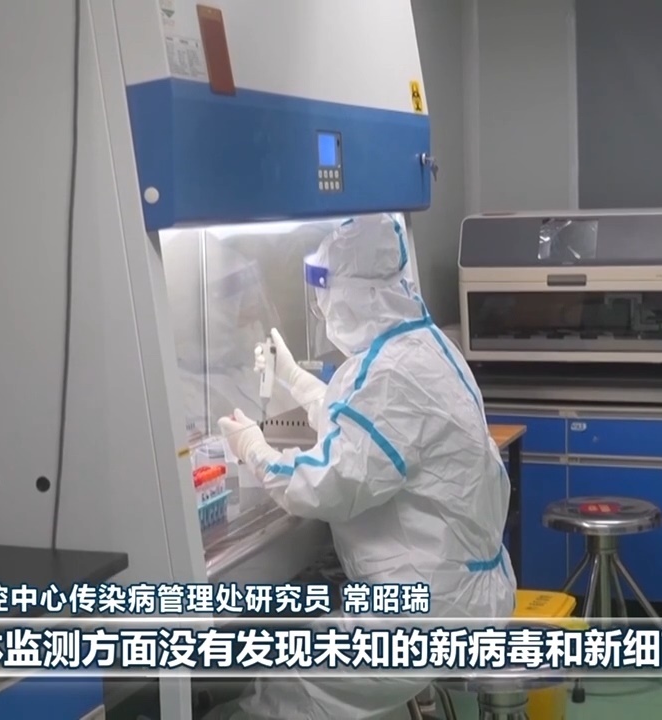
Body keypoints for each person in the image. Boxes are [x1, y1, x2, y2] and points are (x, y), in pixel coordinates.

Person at [211, 214, 517, 719]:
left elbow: (323, 485)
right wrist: (295, 379)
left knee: (287, 682)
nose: (322, 305)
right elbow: (371, 428)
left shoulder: (390, 371)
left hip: (426, 617)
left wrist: (254, 449)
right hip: (470, 594)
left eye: (327, 292)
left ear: (354, 294)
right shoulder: (422, 344)